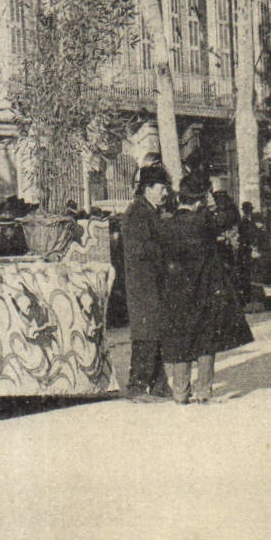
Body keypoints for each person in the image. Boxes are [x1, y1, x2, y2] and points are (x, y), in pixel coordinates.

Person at [158, 179, 253, 403]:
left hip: (176, 294)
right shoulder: (204, 222)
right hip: (204, 290)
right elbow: (232, 216)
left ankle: (180, 391)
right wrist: (219, 192)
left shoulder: (167, 225)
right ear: (200, 200)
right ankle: (203, 391)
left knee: (181, 340)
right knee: (205, 340)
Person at [121, 164, 174, 401]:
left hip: (153, 282)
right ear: (148, 188)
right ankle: (137, 385)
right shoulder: (136, 213)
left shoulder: (149, 211)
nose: (166, 193)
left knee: (157, 332)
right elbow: (141, 249)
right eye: (162, 188)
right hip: (143, 284)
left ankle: (159, 384)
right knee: (145, 334)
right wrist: (168, 248)